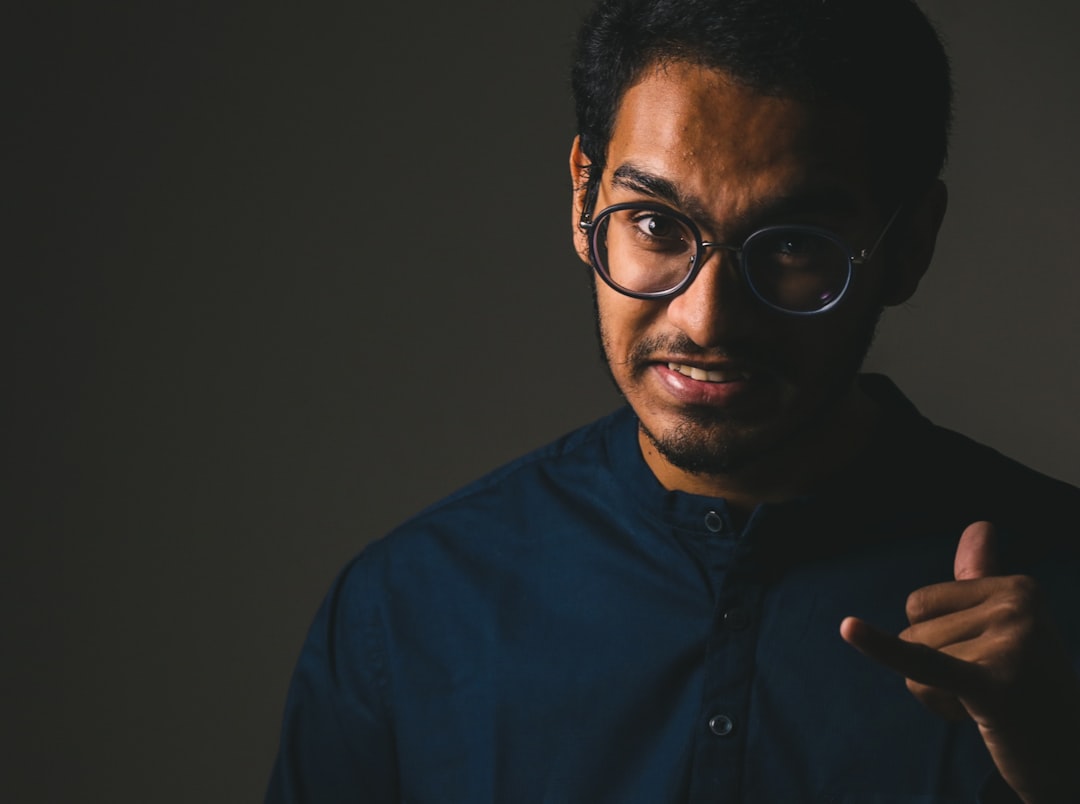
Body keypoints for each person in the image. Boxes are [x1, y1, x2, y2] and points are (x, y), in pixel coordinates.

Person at [266, 0, 1080, 801]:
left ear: (909, 246)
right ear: (585, 201)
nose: (706, 319)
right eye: (655, 224)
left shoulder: (1059, 596)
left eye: (793, 244)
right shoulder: (409, 607)